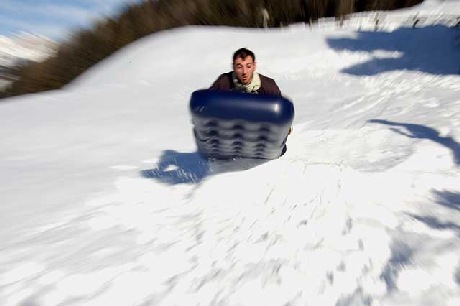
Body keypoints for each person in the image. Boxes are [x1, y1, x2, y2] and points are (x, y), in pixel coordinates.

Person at [210, 48, 282, 96]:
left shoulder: (268, 86)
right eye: (239, 67)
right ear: (233, 67)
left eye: (248, 66)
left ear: (254, 66)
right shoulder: (223, 82)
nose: (244, 72)